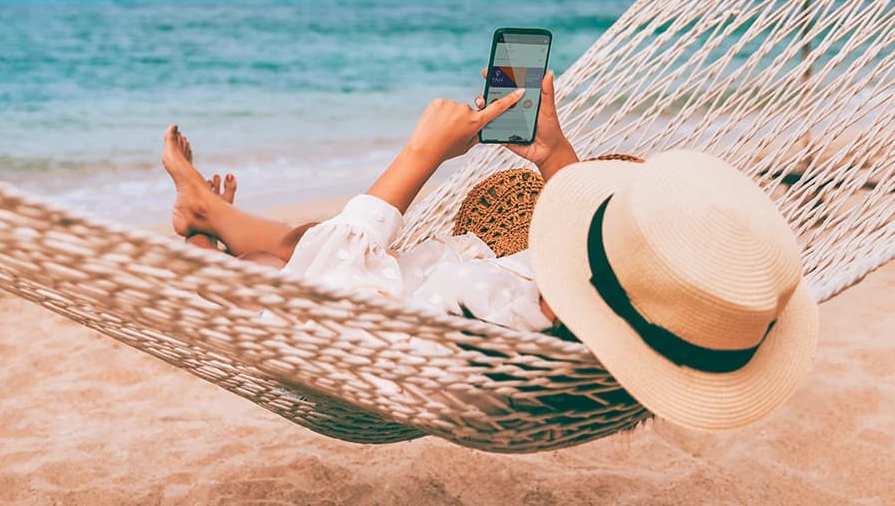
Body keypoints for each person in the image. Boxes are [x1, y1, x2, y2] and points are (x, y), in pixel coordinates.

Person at [164, 70, 820, 431]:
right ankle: (212, 214)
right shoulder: (652, 305)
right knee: (309, 243)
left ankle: (205, 239)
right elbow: (609, 247)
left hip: (365, 321)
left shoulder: (504, 349)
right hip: (418, 277)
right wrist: (554, 155)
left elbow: (341, 298)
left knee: (277, 270)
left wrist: (420, 157)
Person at [164, 69, 577, 332]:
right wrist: (552, 151)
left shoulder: (514, 334)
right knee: (300, 247)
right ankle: (205, 220)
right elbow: (589, 242)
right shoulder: (583, 283)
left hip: (349, 323)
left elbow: (341, 288)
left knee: (262, 277)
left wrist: (424, 153)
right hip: (402, 280)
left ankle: (202, 228)